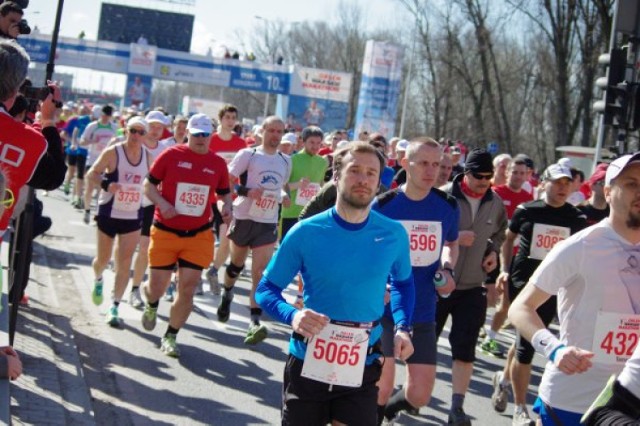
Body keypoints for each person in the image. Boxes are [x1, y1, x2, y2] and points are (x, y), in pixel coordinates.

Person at [255, 142, 415, 426]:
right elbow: (266, 290)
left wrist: (403, 327)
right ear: (336, 175)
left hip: (362, 362)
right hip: (308, 360)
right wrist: (293, 315)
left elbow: (403, 284)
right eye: (354, 170)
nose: (363, 179)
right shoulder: (306, 232)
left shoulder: (393, 234)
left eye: (371, 173)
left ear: (380, 182)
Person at [508, 153, 640, 425]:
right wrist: (554, 349)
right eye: (631, 184)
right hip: (573, 400)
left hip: (630, 401)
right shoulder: (580, 247)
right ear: (608, 191)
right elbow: (520, 308)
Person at [491, 163, 587, 425]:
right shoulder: (526, 211)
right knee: (526, 348)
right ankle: (520, 409)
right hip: (526, 285)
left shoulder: (576, 219)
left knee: (526, 339)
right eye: (557, 182)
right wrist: (505, 270)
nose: (562, 188)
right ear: (543, 183)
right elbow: (508, 239)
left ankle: (503, 379)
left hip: (557, 288)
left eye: (567, 183)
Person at [374, 138, 459, 424]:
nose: (431, 170)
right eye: (423, 163)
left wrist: (447, 269)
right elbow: (366, 249)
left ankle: (388, 410)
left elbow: (451, 242)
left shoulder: (446, 206)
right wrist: (376, 282)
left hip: (422, 310)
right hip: (384, 310)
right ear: (404, 164)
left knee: (420, 395)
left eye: (436, 164)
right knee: (380, 387)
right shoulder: (384, 206)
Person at [140, 113, 232, 357]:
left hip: (198, 234)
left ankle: (171, 335)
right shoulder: (171, 155)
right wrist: (163, 204)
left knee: (188, 288)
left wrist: (226, 208)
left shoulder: (218, 163)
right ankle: (151, 303)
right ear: (188, 134)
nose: (201, 139)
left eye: (205, 135)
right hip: (166, 230)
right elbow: (148, 186)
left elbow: (223, 195)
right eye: (196, 135)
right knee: (157, 287)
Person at [440, 148, 508, 425]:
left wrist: (492, 251)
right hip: (439, 285)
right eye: (478, 176)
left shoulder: (495, 202)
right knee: (424, 344)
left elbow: (500, 232)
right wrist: (454, 238)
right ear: (465, 173)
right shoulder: (444, 196)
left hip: (472, 286)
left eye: (488, 177)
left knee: (465, 349)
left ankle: (457, 407)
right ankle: (412, 392)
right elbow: (425, 232)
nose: (483, 182)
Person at [218, 116, 292, 345]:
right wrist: (246, 191)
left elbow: (280, 187)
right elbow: (226, 182)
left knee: (260, 272)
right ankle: (227, 293)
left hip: (267, 222)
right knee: (236, 266)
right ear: (262, 132)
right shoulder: (248, 155)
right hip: (244, 216)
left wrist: (284, 196)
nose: (275, 135)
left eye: (280, 131)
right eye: (271, 130)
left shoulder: (285, 160)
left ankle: (254, 322)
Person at [84, 116, 151, 325]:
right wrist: (106, 184)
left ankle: (114, 305)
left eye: (141, 132)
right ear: (126, 130)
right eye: (133, 131)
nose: (136, 136)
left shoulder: (148, 157)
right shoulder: (113, 152)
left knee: (125, 262)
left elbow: (152, 182)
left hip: (132, 214)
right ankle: (98, 278)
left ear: (144, 136)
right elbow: (91, 173)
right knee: (102, 260)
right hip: (108, 212)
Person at [0, 39, 67, 234]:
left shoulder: (29, 139)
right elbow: (53, 178)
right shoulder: (30, 141)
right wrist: (47, 120)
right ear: (16, 90)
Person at [480, 157, 533, 358]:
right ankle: (481, 329)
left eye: (522, 173)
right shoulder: (496, 194)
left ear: (527, 175)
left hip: (515, 257)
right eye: (514, 172)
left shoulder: (529, 199)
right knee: (490, 298)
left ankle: (487, 335)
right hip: (491, 251)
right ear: (507, 172)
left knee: (503, 302)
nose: (518, 176)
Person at [205, 104, 248, 295]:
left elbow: (245, 172)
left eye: (233, 117)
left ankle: (213, 271)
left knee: (224, 241)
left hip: (229, 198)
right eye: (227, 117)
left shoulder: (241, 144)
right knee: (203, 240)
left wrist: (242, 190)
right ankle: (191, 273)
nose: (230, 121)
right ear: (221, 119)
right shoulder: (210, 141)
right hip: (207, 197)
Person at [130, 110, 172, 305]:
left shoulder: (165, 150)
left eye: (160, 127)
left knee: (145, 247)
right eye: (152, 126)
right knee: (127, 246)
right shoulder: (135, 142)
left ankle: (135, 289)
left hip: (149, 204)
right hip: (129, 200)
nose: (155, 131)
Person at [280, 126, 328, 241]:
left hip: (311, 214)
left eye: (318, 143)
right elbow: (281, 187)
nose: (315, 146)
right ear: (303, 141)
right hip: (290, 213)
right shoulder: (292, 160)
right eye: (311, 142)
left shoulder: (322, 162)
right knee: (286, 250)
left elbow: (321, 186)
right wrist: (297, 185)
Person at [80, 104, 118, 224]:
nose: (106, 117)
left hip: (107, 162)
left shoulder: (114, 127)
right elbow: (82, 142)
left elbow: (118, 142)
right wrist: (92, 141)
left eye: (108, 116)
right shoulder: (92, 126)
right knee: (90, 188)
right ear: (101, 114)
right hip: (92, 160)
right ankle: (86, 210)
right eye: (104, 115)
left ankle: (97, 213)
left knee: (101, 189)